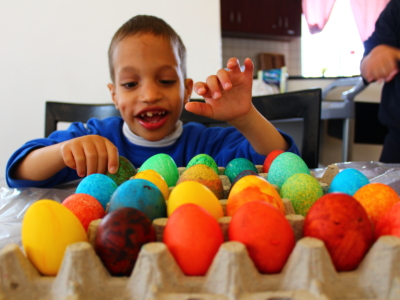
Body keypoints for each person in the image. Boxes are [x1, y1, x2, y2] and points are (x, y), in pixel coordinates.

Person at [6, 15, 299, 188]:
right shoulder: (94, 140)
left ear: (186, 90)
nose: (148, 95)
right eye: (131, 84)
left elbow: (281, 163)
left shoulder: (207, 145)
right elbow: (18, 173)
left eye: (166, 81)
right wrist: (63, 152)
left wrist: (246, 117)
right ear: (114, 96)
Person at [360, 0, 400, 163]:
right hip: (397, 141)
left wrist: (396, 55)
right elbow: (367, 62)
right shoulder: (396, 8)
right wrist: (373, 60)